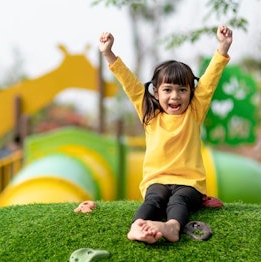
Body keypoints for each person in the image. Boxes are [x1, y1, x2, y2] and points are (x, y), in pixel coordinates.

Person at [99, 25, 233, 243]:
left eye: (182, 90)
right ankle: (136, 227)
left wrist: (223, 47)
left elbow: (209, 81)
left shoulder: (194, 112)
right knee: (154, 200)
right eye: (168, 89)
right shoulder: (150, 115)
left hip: (189, 183)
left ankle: (172, 227)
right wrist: (108, 53)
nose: (175, 96)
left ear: (191, 93)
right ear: (156, 92)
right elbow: (130, 84)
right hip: (157, 180)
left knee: (178, 201)